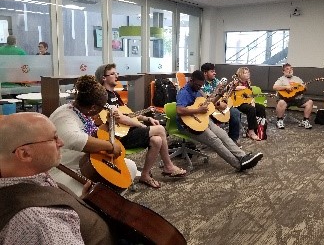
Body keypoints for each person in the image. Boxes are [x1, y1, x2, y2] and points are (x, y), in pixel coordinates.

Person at [0, 112, 115, 244]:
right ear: (25, 154)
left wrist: (81, 202)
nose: (61, 142)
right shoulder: (42, 222)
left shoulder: (25, 180)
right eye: (53, 138)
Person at [95, 64, 186, 189]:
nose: (117, 76)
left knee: (157, 140)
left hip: (128, 132)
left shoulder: (114, 95)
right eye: (112, 74)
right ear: (103, 78)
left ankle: (145, 175)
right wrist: (141, 125)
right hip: (118, 137)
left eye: (116, 73)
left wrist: (146, 118)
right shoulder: (102, 97)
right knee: (160, 129)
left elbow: (128, 114)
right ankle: (168, 166)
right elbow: (119, 118)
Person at [49, 75, 138, 196]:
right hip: (65, 167)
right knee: (94, 195)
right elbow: (74, 140)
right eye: (102, 107)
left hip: (86, 162)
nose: (103, 109)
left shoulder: (81, 112)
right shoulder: (65, 115)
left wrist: (108, 123)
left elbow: (94, 134)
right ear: (93, 107)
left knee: (130, 167)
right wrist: (110, 146)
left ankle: (110, 203)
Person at [176, 70, 263, 171]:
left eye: (201, 85)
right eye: (198, 85)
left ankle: (243, 157)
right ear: (191, 81)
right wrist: (198, 110)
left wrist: (220, 94)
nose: (199, 87)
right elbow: (179, 110)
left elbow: (210, 101)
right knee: (214, 140)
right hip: (188, 125)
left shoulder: (198, 90)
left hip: (202, 119)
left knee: (223, 134)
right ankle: (238, 165)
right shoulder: (184, 92)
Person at [201, 63, 242, 147]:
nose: (215, 73)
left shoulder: (216, 81)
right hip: (208, 108)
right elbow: (203, 99)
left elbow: (224, 95)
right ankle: (214, 142)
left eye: (214, 71)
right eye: (212, 71)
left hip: (219, 106)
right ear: (205, 73)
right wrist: (218, 104)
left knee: (235, 113)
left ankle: (233, 140)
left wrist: (231, 88)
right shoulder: (201, 83)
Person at [273, 63, 313, 129]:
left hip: (297, 99)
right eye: (287, 69)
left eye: (291, 69)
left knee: (310, 102)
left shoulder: (298, 79)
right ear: (283, 71)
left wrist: (304, 87)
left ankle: (305, 121)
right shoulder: (281, 79)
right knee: (281, 102)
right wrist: (286, 87)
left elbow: (305, 89)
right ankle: (279, 120)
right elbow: (274, 87)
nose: (290, 70)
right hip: (285, 99)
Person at [234, 67, 267, 141]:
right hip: (238, 103)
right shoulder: (236, 81)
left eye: (248, 72)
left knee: (261, 107)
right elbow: (228, 88)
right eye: (245, 73)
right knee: (251, 109)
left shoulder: (248, 83)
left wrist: (252, 100)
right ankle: (251, 131)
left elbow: (248, 95)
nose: (248, 74)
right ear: (240, 74)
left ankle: (259, 128)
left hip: (246, 101)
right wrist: (239, 87)